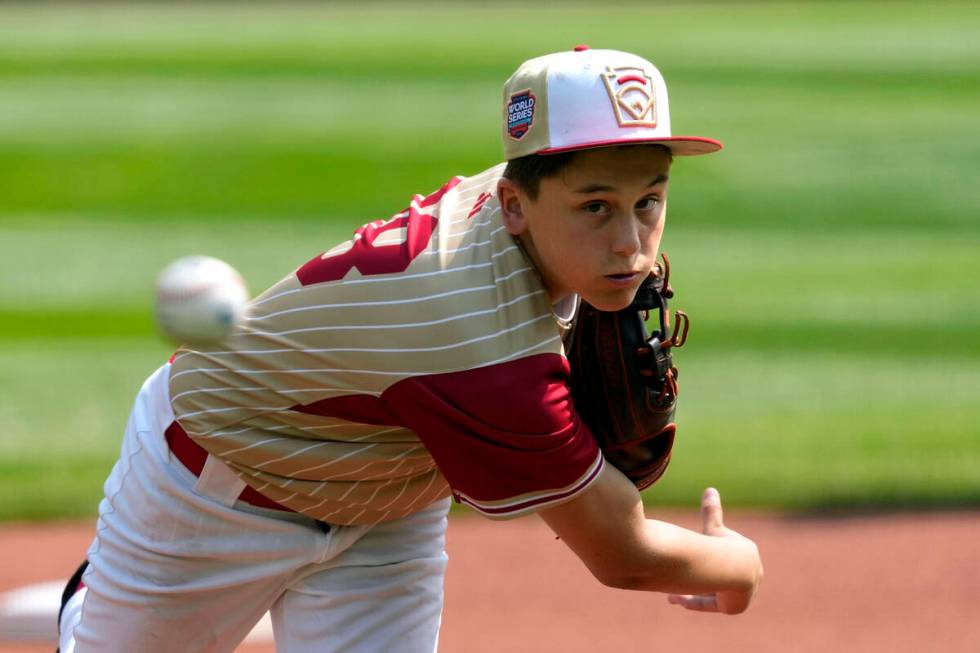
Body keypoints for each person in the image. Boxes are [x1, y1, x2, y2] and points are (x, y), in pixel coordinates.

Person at [57, 47, 763, 653]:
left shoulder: (523, 203)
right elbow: (623, 554)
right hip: (217, 485)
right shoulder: (484, 344)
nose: (630, 244)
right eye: (595, 207)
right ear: (515, 204)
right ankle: (88, 610)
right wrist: (739, 567)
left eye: (649, 201)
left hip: (390, 497)